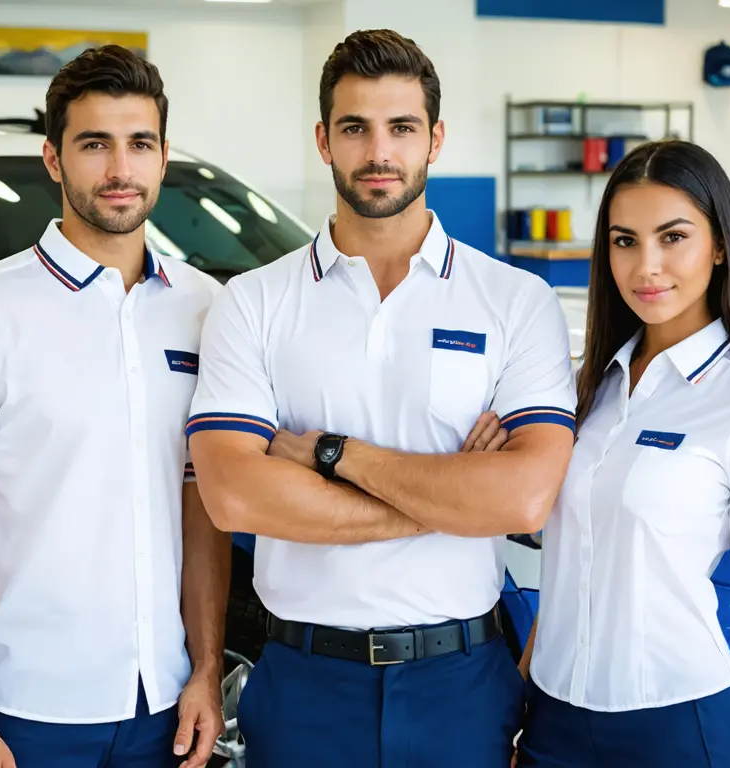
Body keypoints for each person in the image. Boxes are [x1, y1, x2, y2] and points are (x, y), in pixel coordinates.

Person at [186, 28, 578, 768]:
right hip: (304, 682)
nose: (379, 152)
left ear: (435, 139)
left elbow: (524, 500)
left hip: (459, 681)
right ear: (323, 140)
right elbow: (234, 497)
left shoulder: (515, 300)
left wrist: (331, 457)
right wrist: (453, 497)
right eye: (355, 128)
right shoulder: (253, 302)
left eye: (401, 128)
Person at [0, 45, 229, 768]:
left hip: (164, 706)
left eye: (139, 144)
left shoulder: (207, 310)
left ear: (163, 157)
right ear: (53, 160)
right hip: (26, 708)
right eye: (93, 145)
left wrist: (204, 671)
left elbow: (202, 510)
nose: (119, 169)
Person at [514, 139, 730, 768]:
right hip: (552, 721)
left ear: (719, 246)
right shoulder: (583, 390)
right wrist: (520, 712)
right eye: (625, 241)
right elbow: (568, 571)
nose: (646, 266)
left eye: (672, 237)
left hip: (677, 729)